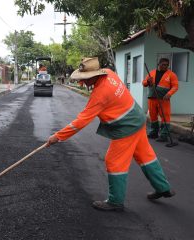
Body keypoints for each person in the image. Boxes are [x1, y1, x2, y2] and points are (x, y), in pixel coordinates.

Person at [46, 57, 175, 211]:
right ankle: (163, 188)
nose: (83, 82)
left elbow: (80, 121)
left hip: (127, 126)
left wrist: (57, 137)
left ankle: (115, 201)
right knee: (146, 157)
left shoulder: (100, 95)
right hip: (138, 118)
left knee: (114, 161)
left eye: (85, 79)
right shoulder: (108, 73)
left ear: (95, 75)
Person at [142, 58, 178, 142]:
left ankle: (163, 135)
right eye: (163, 65)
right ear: (158, 64)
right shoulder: (151, 73)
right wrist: (147, 81)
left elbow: (175, 86)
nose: (165, 66)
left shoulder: (171, 75)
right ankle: (154, 133)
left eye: (166, 65)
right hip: (152, 98)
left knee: (165, 117)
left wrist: (169, 94)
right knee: (153, 117)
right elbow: (144, 83)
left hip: (164, 99)